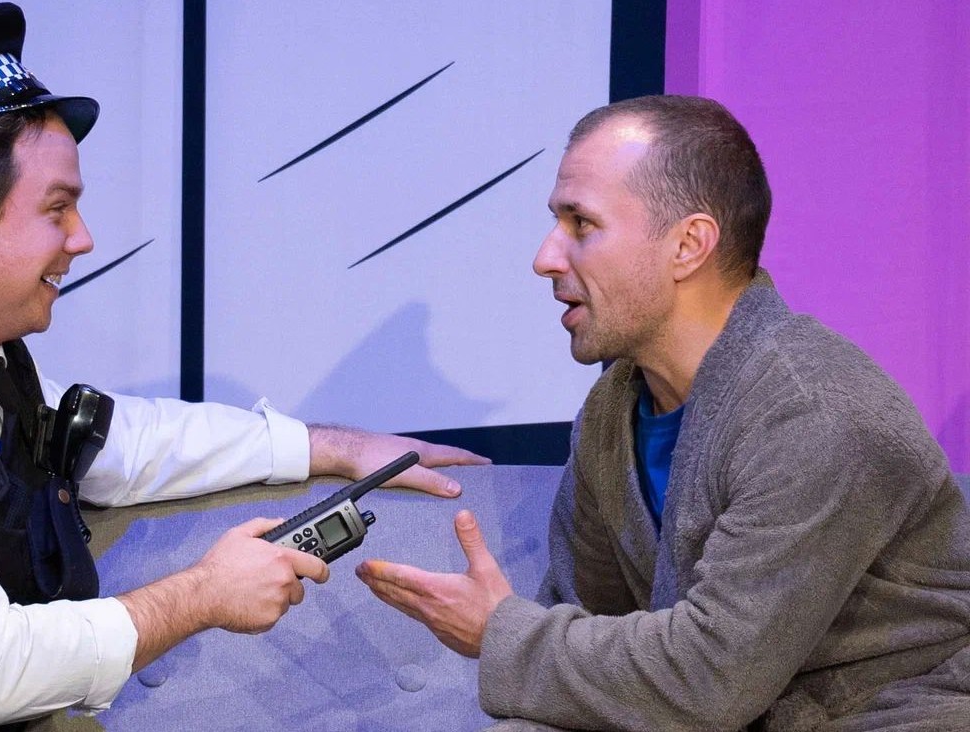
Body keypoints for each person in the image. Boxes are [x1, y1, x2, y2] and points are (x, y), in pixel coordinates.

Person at [0, 4, 486, 730]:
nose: (83, 238)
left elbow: (127, 442)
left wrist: (335, 447)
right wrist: (204, 594)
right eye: (57, 208)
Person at [356, 94, 970, 730]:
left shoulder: (815, 414)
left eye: (581, 224)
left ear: (688, 245)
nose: (545, 258)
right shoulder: (614, 408)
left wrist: (501, 633)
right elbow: (589, 635)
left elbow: (711, 679)